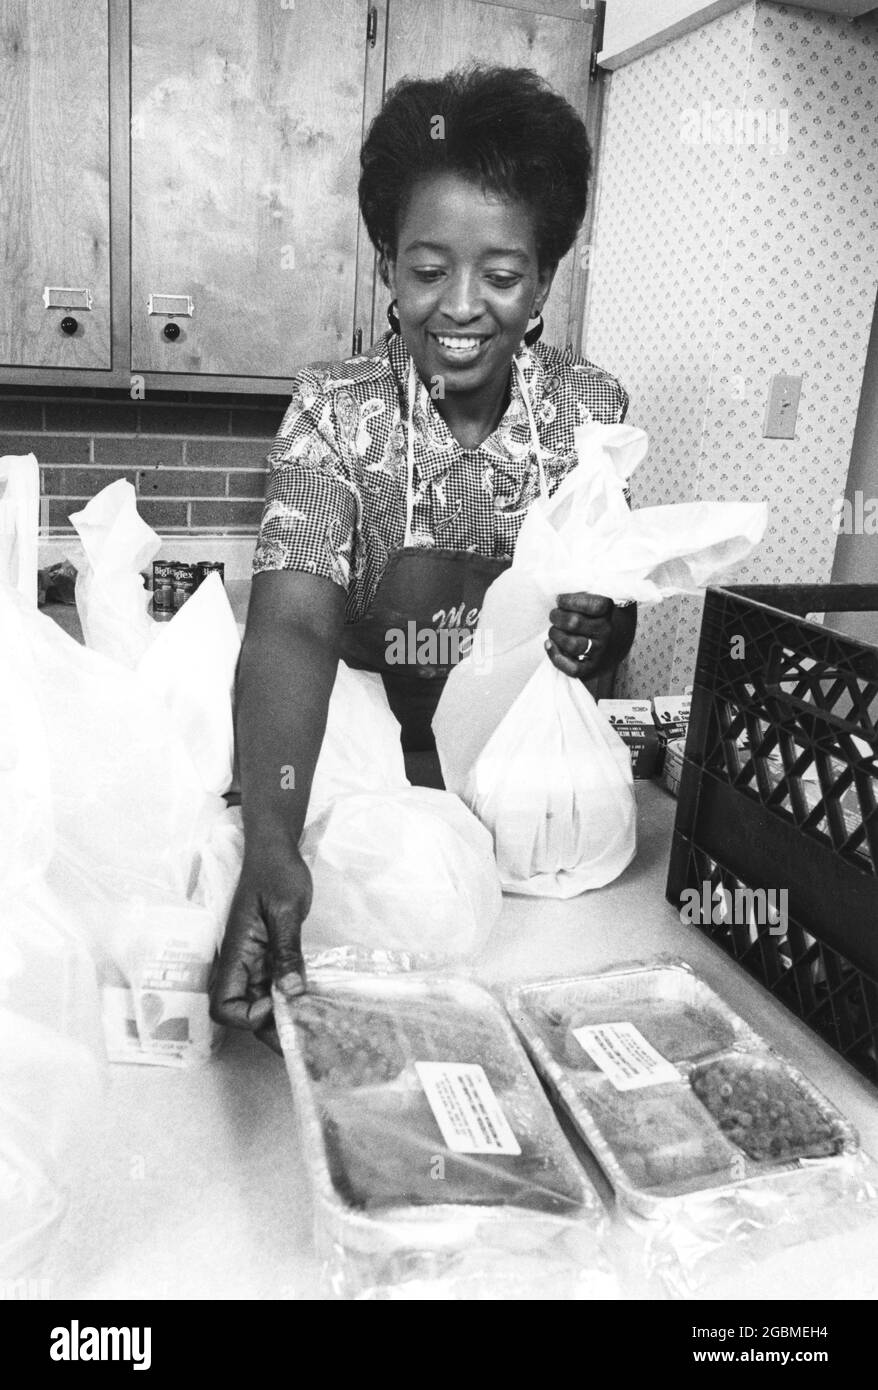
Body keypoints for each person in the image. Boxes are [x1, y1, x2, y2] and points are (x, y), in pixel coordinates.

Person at [210, 65, 637, 1043]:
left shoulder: (589, 413)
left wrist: (598, 621)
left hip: (530, 819)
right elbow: (292, 623)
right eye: (426, 268)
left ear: (541, 281)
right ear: (385, 267)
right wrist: (271, 845)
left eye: (499, 273)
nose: (459, 306)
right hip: (364, 802)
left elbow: (608, 608)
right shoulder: (335, 412)